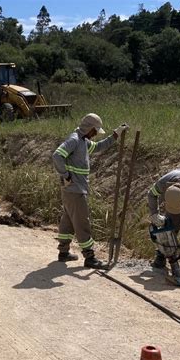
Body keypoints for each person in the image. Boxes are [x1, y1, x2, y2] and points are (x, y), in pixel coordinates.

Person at [52, 113, 129, 269]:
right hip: (75, 190)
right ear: (89, 128)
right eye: (95, 130)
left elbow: (99, 146)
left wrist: (115, 135)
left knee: (68, 221)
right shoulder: (74, 140)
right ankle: (90, 257)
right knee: (82, 222)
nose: (95, 134)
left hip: (71, 190)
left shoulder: (83, 141)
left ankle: (63, 252)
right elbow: (57, 155)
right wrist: (66, 175)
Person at [148, 168, 180, 268]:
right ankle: (161, 255)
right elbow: (151, 194)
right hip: (178, 200)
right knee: (169, 226)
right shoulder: (165, 182)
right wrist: (154, 214)